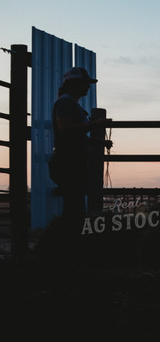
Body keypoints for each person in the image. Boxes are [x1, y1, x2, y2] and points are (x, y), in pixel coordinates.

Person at [50, 67, 110, 234]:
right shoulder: (66, 102)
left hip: (69, 161)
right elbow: (65, 128)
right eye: (85, 83)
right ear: (75, 84)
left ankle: (66, 245)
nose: (88, 87)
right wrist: (95, 125)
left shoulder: (69, 103)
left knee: (74, 206)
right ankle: (67, 244)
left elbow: (73, 135)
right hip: (69, 162)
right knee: (74, 208)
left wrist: (98, 141)